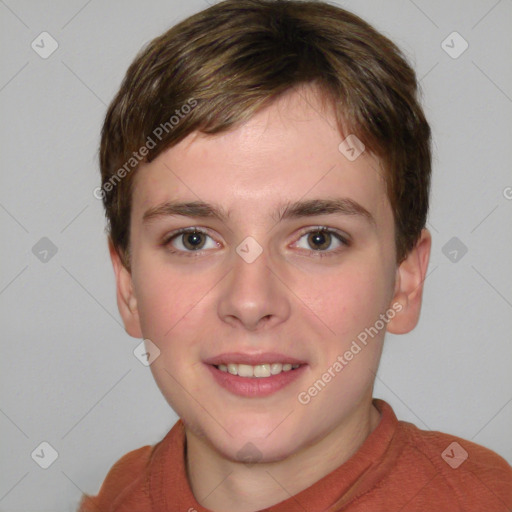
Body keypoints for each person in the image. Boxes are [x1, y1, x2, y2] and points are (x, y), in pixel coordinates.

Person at [79, 0, 512, 510]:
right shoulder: (118, 496)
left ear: (405, 281)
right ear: (127, 285)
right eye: (193, 239)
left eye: (319, 239)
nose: (249, 301)